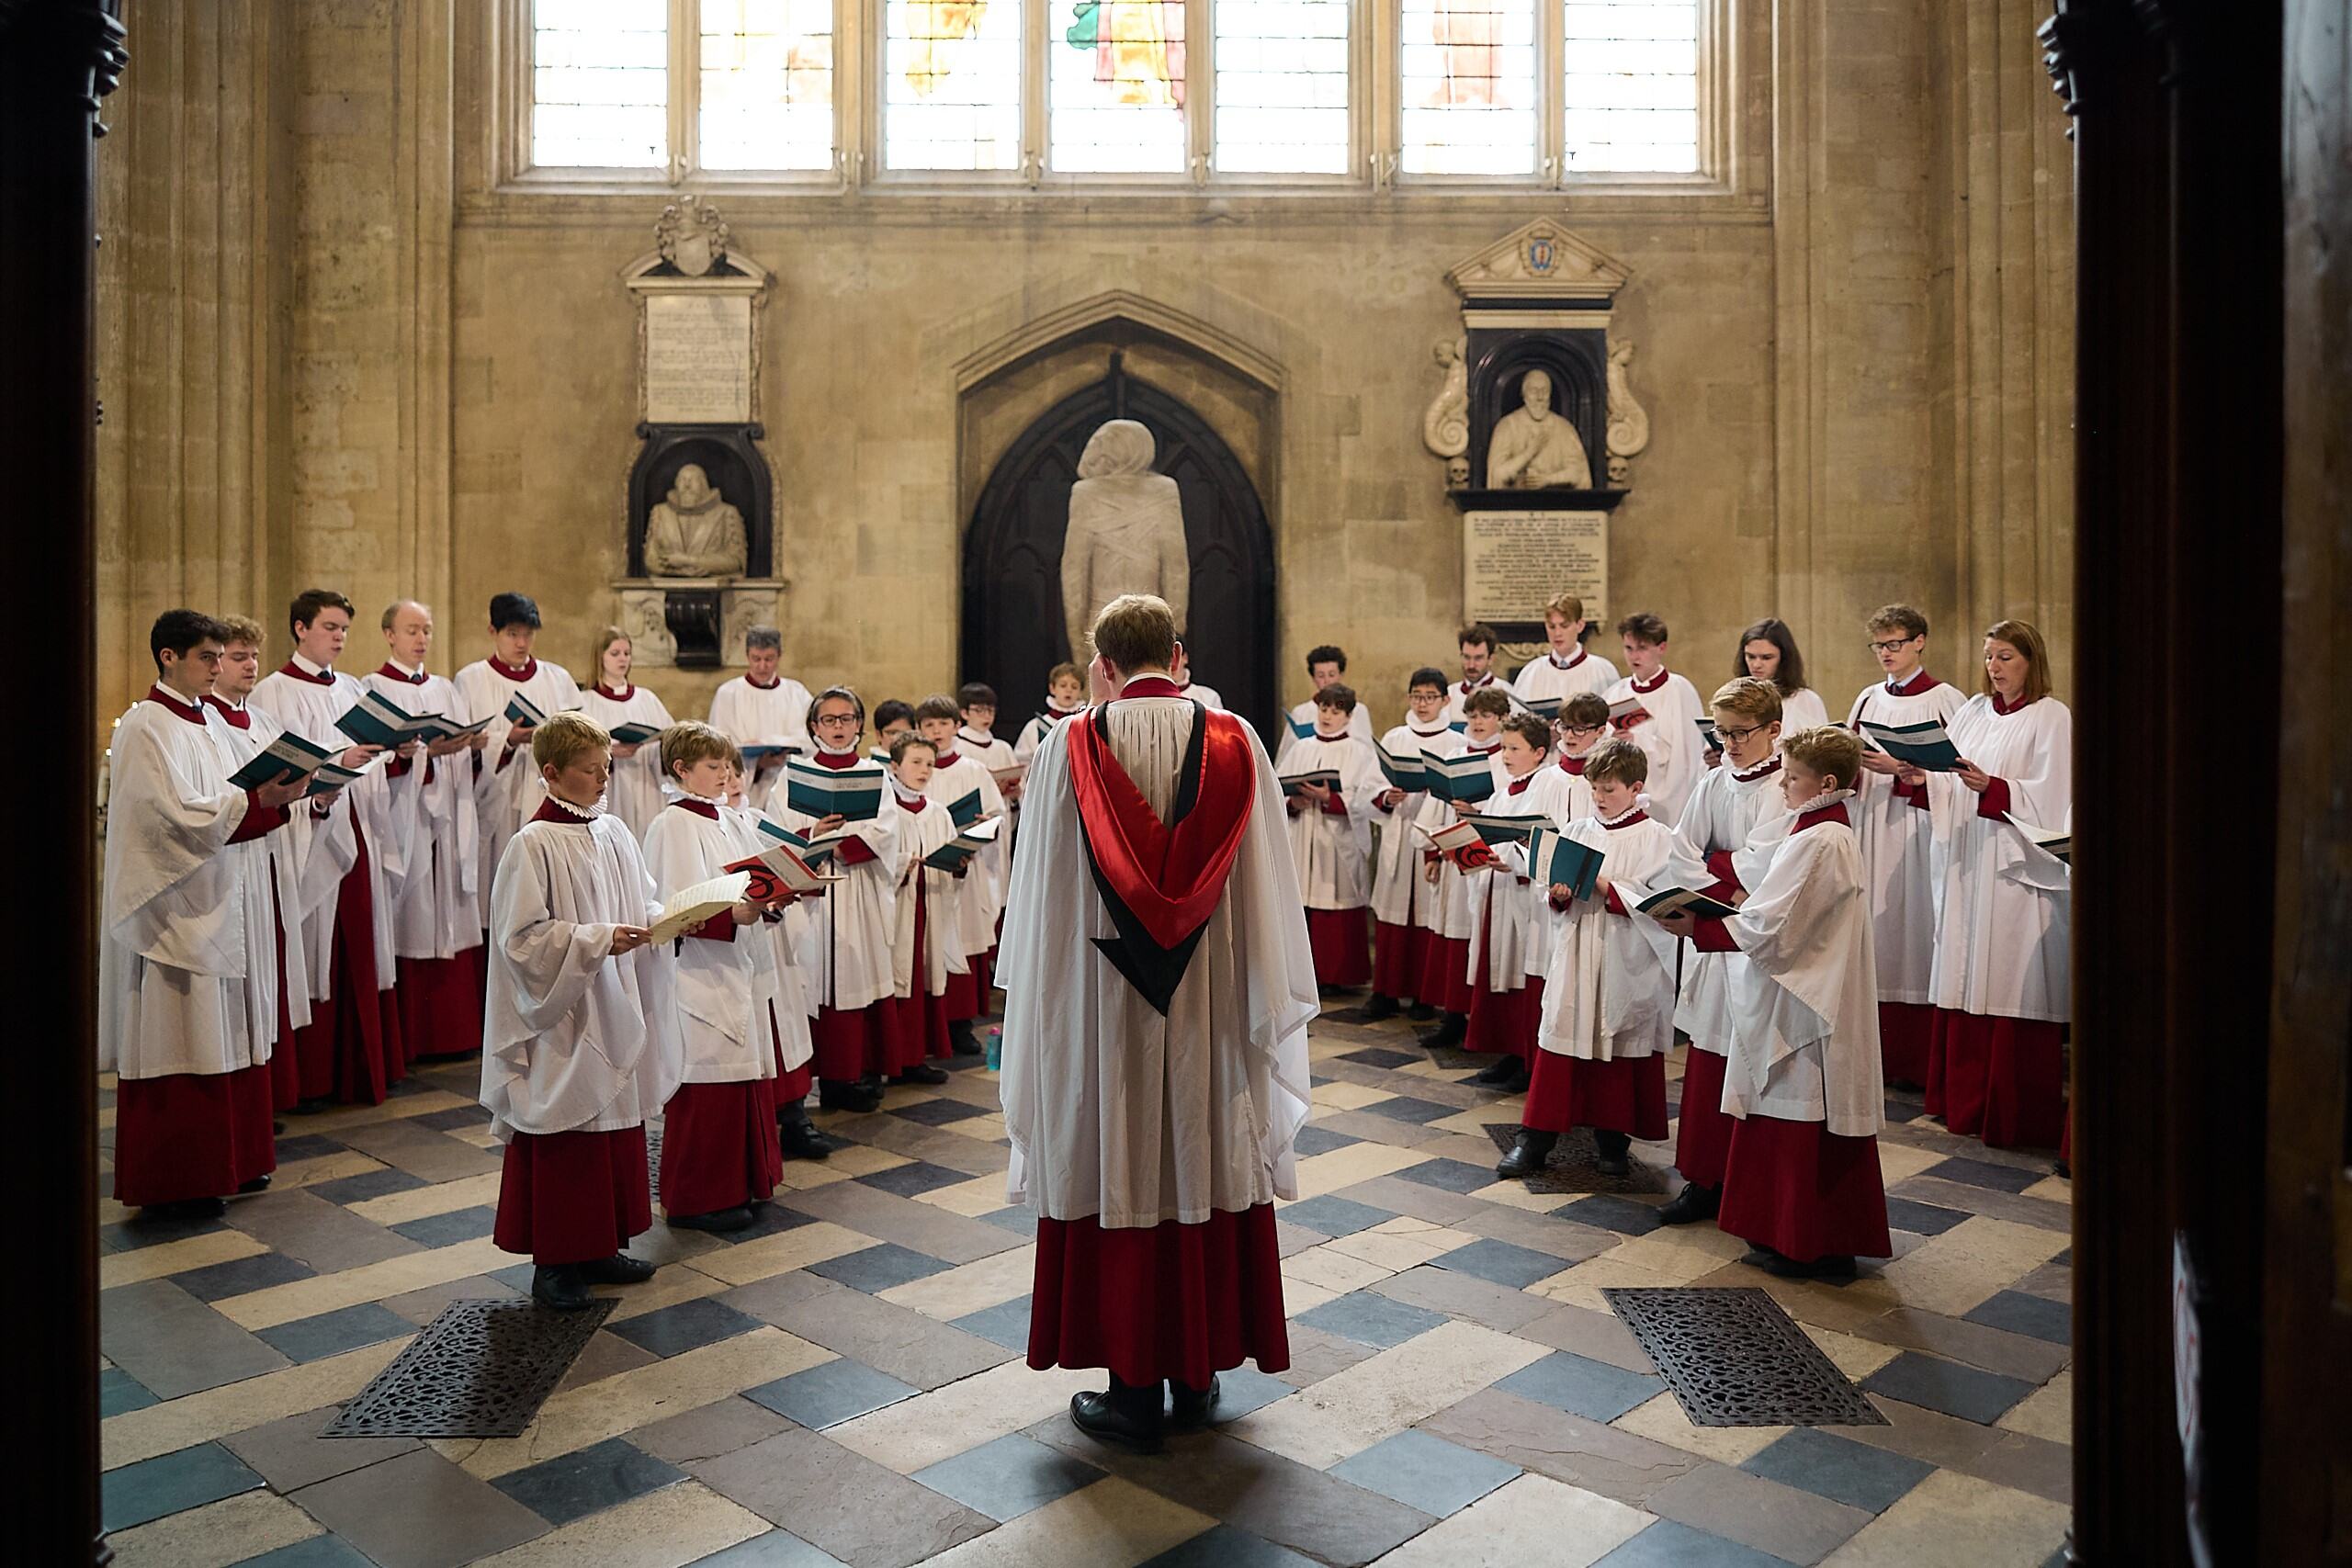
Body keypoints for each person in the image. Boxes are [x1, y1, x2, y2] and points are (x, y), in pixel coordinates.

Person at [1000, 592, 1317, 1452]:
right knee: (1200, 1149)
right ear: (1178, 655)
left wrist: (1045, 1000)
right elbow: (1265, 889)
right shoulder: (1234, 740)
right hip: (1210, 1000)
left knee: (1118, 1151)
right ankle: (1197, 1368)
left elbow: (1042, 897)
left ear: (1101, 665)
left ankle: (1131, 1388)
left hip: (1103, 1004)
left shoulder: (1069, 745)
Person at [1657, 726, 1890, 1279]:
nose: (1782, 783)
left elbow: (1773, 926)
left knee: (1806, 1113)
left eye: (1793, 777)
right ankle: (1791, 1236)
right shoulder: (1811, 827)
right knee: (1785, 1113)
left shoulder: (1822, 840)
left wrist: (1698, 927)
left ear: (1826, 783)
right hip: (1799, 988)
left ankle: (1821, 1246)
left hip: (1808, 1001)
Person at [103, 611, 305, 1217]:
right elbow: (165, 813)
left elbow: (229, 794)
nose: (219, 667)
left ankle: (235, 1162)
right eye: (207, 657)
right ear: (168, 656)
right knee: (183, 1032)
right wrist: (252, 802)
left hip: (223, 891)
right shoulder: (145, 725)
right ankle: (176, 1181)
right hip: (175, 909)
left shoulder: (211, 719)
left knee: (229, 1030)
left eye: (222, 656)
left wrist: (274, 794)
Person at [481, 712, 681, 1311]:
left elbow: (638, 897)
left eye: (607, 766)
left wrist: (671, 916)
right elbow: (521, 939)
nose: (604, 779)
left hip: (612, 996)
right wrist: (595, 940)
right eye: (590, 770)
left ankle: (598, 1246)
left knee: (612, 1119)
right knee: (567, 1125)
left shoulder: (614, 831)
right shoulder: (531, 844)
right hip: (562, 1010)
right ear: (551, 772)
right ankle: (555, 1265)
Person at [249, 588, 408, 1104]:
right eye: (330, 627)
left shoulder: (351, 688)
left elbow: (374, 762)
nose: (339, 637)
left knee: (356, 941)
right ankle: (315, 1078)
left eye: (344, 629)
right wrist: (327, 778)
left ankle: (356, 1073)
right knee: (315, 946)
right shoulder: (273, 692)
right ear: (300, 628)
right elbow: (276, 763)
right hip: (307, 831)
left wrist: (388, 754)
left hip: (352, 823)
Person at [1921, 620, 2073, 1149]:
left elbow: (2057, 794)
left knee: (2008, 976)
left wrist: (1996, 787)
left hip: (2014, 867)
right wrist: (1918, 773)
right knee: (1964, 968)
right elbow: (1947, 774)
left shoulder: (2051, 717)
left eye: (2006, 657)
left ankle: (2011, 1114)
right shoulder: (1972, 712)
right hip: (1968, 857)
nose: (1994, 667)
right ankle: (1962, 1103)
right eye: (1989, 657)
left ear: (2032, 660)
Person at [1498, 739, 1679, 1180]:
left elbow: (1662, 902)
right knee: (1562, 1037)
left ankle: (1613, 1145)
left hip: (1626, 956)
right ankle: (1535, 1142)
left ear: (1636, 788)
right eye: (1594, 789)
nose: (1599, 798)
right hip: (1578, 949)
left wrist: (1607, 887)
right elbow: (1553, 889)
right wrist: (1558, 893)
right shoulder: (1578, 830)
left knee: (1618, 1047)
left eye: (1609, 790)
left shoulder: (1659, 838)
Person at [1656, 678, 1793, 1224]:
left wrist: (1720, 869)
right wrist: (1725, 876)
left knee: (1752, 1058)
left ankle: (1746, 1182)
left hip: (1758, 948)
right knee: (1709, 1056)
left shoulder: (1787, 787)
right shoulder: (1713, 781)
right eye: (1722, 732)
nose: (1730, 744)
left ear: (1774, 731)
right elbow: (1681, 853)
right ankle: (1703, 1177)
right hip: (1715, 938)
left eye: (1742, 733)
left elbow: (1771, 869)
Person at [642, 723, 789, 1232]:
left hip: (736, 965)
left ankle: (743, 1182)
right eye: (712, 766)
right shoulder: (673, 824)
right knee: (706, 1081)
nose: (724, 774)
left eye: (727, 765)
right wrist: (735, 916)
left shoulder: (724, 818)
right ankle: (695, 1198)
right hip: (698, 971)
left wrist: (773, 897)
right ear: (681, 770)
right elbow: (671, 907)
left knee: (739, 1075)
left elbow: (751, 878)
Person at [1843, 604, 1964, 1088]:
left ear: (1920, 641)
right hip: (1872, 822)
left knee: (1915, 929)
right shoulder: (1868, 698)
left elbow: (1964, 773)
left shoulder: (1947, 700)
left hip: (1920, 831)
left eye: (1895, 644)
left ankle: (1915, 1060)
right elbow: (1846, 753)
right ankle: (1873, 1054)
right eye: (1879, 646)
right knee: (1876, 932)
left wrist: (1908, 774)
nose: (1886, 654)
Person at [362, 601, 488, 1062]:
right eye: (412, 630)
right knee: (412, 912)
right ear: (389, 635)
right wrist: (421, 758)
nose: (421, 639)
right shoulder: (372, 687)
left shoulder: (446, 688)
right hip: (406, 816)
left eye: (428, 631)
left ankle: (454, 1034)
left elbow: (465, 759)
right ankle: (414, 1037)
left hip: (448, 816)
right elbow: (376, 760)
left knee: (449, 909)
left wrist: (470, 748)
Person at [207, 616, 319, 1113]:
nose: (250, 665)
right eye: (237, 656)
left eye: (253, 655)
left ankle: (269, 1098)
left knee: (268, 979)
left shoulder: (264, 722)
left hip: (268, 861)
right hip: (229, 873)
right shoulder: (205, 725)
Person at [768, 686, 897, 1112]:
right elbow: (776, 830)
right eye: (829, 720)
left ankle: (847, 1077)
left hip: (856, 886)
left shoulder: (875, 773)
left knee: (852, 976)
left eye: (846, 719)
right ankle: (810, 1080)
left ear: (860, 724)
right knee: (811, 978)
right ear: (813, 726)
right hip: (811, 891)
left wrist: (846, 844)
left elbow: (888, 830)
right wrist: (813, 836)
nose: (838, 727)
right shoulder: (793, 774)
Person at [1459, 713, 1572, 1093]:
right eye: (1504, 747)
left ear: (1539, 752)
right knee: (1502, 972)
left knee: (1525, 975)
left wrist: (1513, 860)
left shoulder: (1544, 787)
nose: (1505, 755)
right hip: (1498, 890)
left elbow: (1547, 842)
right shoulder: (1505, 788)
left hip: (1527, 897)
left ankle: (1528, 1056)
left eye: (1514, 748)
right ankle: (1510, 1049)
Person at [454, 592, 582, 924]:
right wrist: (506, 742)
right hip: (496, 802)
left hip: (547, 799)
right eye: (513, 634)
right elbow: (464, 746)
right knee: (501, 897)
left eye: (528, 634)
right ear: (492, 631)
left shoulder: (557, 679)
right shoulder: (471, 680)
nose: (522, 642)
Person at [1362, 668, 1459, 1021]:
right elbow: (1369, 786)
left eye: (1430, 697)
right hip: (1400, 831)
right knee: (1392, 913)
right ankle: (1385, 992)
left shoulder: (1454, 742)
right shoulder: (1396, 736)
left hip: (1433, 835)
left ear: (1445, 700)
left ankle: (1423, 996)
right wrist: (1387, 795)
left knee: (1428, 917)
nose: (1422, 704)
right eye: (1417, 696)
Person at [1415, 687, 1510, 1048]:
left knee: (1478, 939)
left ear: (1501, 718)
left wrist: (1478, 813)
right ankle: (1452, 1017)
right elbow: (1436, 806)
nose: (1478, 723)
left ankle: (1479, 1019)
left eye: (1486, 716)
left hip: (1487, 863)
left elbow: (1508, 813)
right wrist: (1431, 854)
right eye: (1472, 716)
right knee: (1452, 939)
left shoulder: (1506, 759)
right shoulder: (1454, 754)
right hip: (1453, 857)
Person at [915, 694, 1007, 1058]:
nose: (936, 731)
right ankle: (931, 1024)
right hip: (931, 875)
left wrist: (986, 826)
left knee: (965, 942)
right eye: (928, 725)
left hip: (967, 872)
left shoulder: (973, 770)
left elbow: (998, 815)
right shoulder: (916, 766)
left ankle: (961, 1024)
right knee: (931, 944)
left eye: (942, 723)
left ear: (957, 726)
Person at [1279, 682, 1382, 992]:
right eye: (1324, 708)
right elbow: (1277, 786)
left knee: (1335, 903)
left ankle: (1336, 976)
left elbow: (1368, 797)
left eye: (1336, 711)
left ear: (1349, 716)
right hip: (1304, 835)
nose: (1328, 715)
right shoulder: (1301, 747)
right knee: (1303, 901)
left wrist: (1331, 798)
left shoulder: (1360, 752)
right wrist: (1292, 802)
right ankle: (1302, 975)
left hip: (1337, 841)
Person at [883, 731, 969, 1085]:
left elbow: (950, 857)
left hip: (930, 902)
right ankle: (892, 1060)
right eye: (916, 762)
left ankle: (915, 1058)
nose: (924, 770)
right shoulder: (886, 811)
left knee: (923, 979)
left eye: (930, 764)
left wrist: (959, 862)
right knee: (898, 980)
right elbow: (878, 863)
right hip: (899, 908)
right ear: (895, 766)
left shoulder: (937, 813)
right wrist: (904, 863)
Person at [577, 626, 675, 842]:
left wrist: (658, 742)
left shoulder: (647, 699)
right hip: (609, 788)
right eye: (615, 654)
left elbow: (673, 741)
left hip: (646, 785)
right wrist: (608, 751)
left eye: (627, 653)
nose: (622, 659)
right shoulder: (585, 701)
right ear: (599, 657)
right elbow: (574, 750)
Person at [1603, 612, 1702, 825]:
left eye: (1642, 648)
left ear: (1661, 648)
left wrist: (1637, 741)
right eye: (1628, 648)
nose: (1634, 656)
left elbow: (1687, 754)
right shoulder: (1615, 693)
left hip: (1671, 796)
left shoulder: (1680, 690)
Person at [707, 625, 813, 790]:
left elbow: (811, 738)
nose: (762, 666)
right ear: (747, 656)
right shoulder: (728, 694)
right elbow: (720, 745)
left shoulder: (797, 693)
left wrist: (776, 748)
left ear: (779, 656)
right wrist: (758, 763)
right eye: (756, 659)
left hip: (788, 783)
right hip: (747, 786)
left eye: (769, 659)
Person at [1511, 594, 1618, 713]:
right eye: (1552, 626)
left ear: (1580, 626)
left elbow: (1612, 719)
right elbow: (1517, 718)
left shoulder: (1603, 670)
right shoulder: (1531, 672)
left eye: (1564, 626)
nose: (1557, 633)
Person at [1731, 617, 1828, 737]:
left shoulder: (1806, 700)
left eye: (1766, 658)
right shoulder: (1735, 696)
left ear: (1784, 659)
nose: (1756, 665)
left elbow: (1818, 750)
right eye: (1751, 657)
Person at [1280, 646, 1375, 763]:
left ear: (1340, 675)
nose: (1327, 681)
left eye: (1331, 675)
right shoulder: (1300, 712)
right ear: (1313, 678)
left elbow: (1368, 751)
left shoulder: (1358, 710)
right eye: (1321, 676)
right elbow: (1286, 754)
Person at [1442, 623, 1521, 726]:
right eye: (1466, 657)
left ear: (1491, 659)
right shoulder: (1448, 694)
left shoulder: (1508, 693)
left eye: (1478, 658)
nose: (1471, 665)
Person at [1013, 665, 1087, 765]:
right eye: (1063, 685)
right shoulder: (1035, 726)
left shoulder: (1085, 725)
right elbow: (1022, 761)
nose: (1069, 690)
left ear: (1080, 692)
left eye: (1074, 687)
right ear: (1052, 688)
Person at [1169, 643, 1224, 710]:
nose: (1171, 665)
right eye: (1166, 659)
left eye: (1173, 657)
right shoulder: (1154, 698)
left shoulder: (1210, 697)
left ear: (1185, 658)